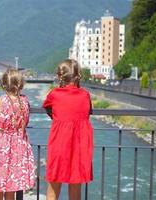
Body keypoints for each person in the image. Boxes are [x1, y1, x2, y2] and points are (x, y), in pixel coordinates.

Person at [0, 69, 35, 200]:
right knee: (11, 185)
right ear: (21, 85)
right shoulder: (25, 101)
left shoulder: (0, 101)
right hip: (19, 144)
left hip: (2, 145)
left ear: (3, 85)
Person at [42, 59, 94, 200]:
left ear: (60, 77)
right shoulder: (85, 95)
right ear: (78, 76)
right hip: (80, 146)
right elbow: (88, 112)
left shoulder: (55, 94)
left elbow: (47, 106)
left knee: (53, 186)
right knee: (75, 189)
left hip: (59, 143)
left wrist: (59, 119)